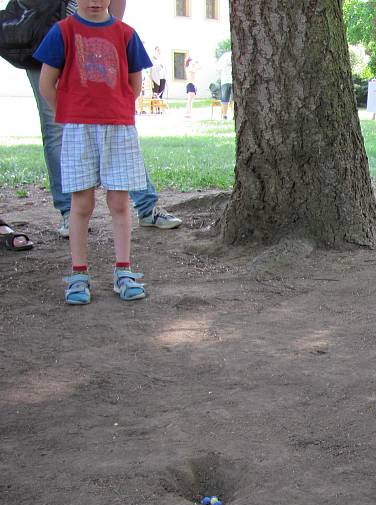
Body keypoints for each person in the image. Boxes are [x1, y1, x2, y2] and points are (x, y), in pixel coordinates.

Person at [4, 0, 181, 237]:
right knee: (56, 128)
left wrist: (113, 30)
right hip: (45, 35)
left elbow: (132, 87)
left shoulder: (121, 33)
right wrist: (68, 113)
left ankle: (147, 207)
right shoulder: (58, 33)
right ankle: (70, 212)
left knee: (119, 128)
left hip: (98, 38)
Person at [35, 0, 152, 304]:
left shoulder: (126, 34)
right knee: (81, 203)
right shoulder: (63, 31)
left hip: (118, 128)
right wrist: (71, 114)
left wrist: (114, 111)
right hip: (78, 130)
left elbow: (134, 84)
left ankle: (124, 271)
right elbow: (47, 83)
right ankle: (78, 274)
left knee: (120, 200)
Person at [216, 49, 233, 120]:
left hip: (226, 80)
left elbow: (218, 69)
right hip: (227, 80)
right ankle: (225, 115)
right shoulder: (225, 56)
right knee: (227, 99)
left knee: (225, 99)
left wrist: (219, 77)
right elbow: (218, 68)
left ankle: (225, 115)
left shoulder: (224, 56)